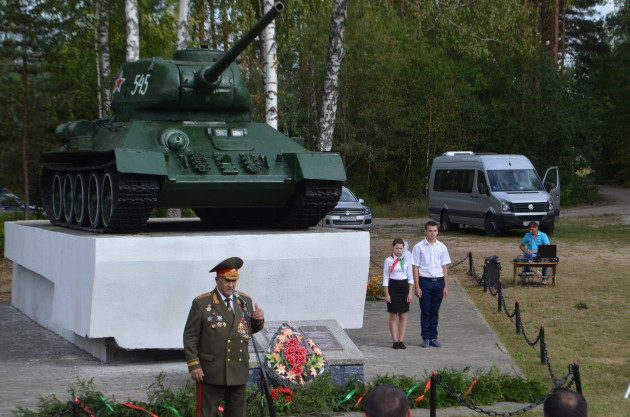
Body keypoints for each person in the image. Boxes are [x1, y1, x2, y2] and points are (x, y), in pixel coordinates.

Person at [183, 257, 265, 417]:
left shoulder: (244, 301)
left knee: (237, 413)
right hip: (211, 370)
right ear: (217, 279)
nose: (231, 285)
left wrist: (258, 320)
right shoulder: (202, 303)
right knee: (206, 413)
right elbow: (190, 336)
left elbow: (245, 329)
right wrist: (194, 365)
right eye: (227, 281)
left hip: (237, 367)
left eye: (234, 281)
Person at [411, 220, 451, 348]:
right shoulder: (419, 247)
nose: (432, 233)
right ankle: (426, 337)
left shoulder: (442, 247)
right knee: (426, 310)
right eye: (430, 231)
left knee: (435, 311)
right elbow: (415, 268)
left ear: (437, 232)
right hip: (425, 281)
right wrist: (417, 287)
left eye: (434, 231)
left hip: (438, 282)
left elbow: (444, 267)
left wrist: (445, 286)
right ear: (425, 231)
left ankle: (434, 337)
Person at [383, 238, 414, 349]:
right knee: (393, 314)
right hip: (393, 287)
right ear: (393, 248)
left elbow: (410, 278)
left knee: (403, 314)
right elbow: (386, 277)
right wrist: (387, 293)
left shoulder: (407, 260)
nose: (399, 251)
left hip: (404, 287)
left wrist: (410, 292)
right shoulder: (388, 260)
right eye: (397, 248)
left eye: (401, 248)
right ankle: (395, 340)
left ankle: (401, 340)